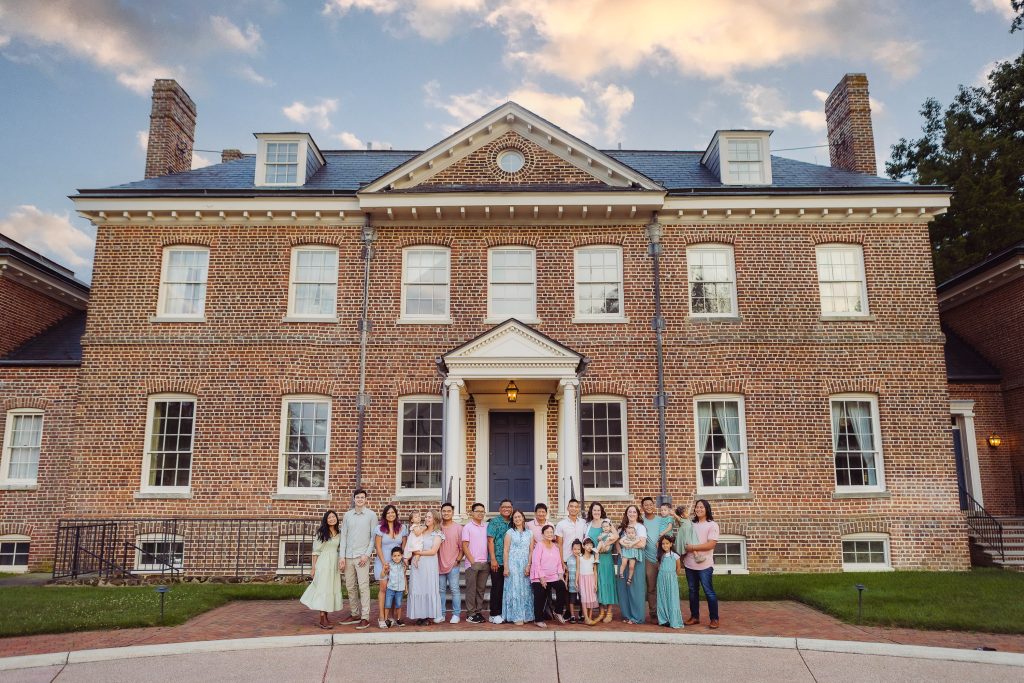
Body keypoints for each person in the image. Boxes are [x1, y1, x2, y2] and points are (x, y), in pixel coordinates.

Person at [337, 489, 375, 629]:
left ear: (366, 499)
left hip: (362, 557)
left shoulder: (371, 515)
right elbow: (344, 536)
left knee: (364, 587)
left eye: (362, 497)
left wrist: (367, 554)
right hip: (348, 556)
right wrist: (342, 556)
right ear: (354, 499)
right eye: (357, 497)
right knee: (350, 586)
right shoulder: (347, 515)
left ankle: (365, 617)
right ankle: (355, 614)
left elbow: (373, 537)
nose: (359, 499)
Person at [300, 509, 343, 629]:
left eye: (333, 517)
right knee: (323, 588)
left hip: (334, 563)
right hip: (324, 562)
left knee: (330, 588)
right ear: (326, 519)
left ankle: (326, 615)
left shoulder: (339, 533)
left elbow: (340, 548)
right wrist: (313, 568)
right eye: (329, 517)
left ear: (336, 519)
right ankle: (322, 618)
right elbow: (315, 552)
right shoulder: (321, 533)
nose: (331, 519)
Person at [683, 499, 720, 628]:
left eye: (702, 507)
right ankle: (694, 617)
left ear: (707, 509)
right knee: (693, 591)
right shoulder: (691, 524)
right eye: (697, 507)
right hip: (689, 564)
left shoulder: (712, 525)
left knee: (708, 591)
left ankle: (714, 618)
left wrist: (692, 547)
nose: (699, 509)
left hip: (705, 565)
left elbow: (711, 544)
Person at [407, 509, 445, 625]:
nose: (427, 519)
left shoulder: (438, 533)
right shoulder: (421, 531)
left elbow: (433, 551)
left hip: (429, 564)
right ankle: (420, 615)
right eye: (426, 517)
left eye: (430, 517)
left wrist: (418, 553)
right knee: (417, 588)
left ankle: (427, 615)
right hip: (417, 564)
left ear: (435, 519)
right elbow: (413, 542)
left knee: (428, 588)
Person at [555, 497, 589, 620]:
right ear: (567, 508)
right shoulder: (561, 524)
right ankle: (569, 612)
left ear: (578, 509)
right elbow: (559, 544)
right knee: (567, 587)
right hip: (566, 560)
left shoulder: (583, 523)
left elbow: (586, 540)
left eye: (576, 506)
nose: (574, 508)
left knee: (581, 586)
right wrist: (560, 562)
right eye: (571, 506)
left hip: (580, 560)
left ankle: (580, 611)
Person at [373, 505, 407, 629]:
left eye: (393, 512)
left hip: (396, 564)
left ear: (396, 514)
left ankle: (391, 616)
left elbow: (404, 546)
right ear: (384, 515)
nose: (391, 515)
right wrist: (384, 563)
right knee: (384, 589)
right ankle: (382, 617)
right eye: (388, 513)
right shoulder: (379, 529)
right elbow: (378, 547)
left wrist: (403, 561)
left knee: (395, 588)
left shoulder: (402, 528)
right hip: (383, 562)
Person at [585, 501, 617, 623]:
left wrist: (606, 544)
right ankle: (601, 610)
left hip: (606, 557)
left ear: (601, 511)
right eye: (594, 510)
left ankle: (609, 611)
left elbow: (616, 536)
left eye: (598, 510)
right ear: (591, 512)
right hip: (594, 559)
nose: (596, 512)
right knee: (598, 584)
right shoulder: (588, 525)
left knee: (607, 583)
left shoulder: (607, 522)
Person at [502, 509, 535, 625]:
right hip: (513, 563)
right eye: (515, 517)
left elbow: (531, 550)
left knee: (526, 589)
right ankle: (516, 615)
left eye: (519, 517)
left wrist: (529, 565)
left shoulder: (530, 533)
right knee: (514, 589)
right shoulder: (510, 532)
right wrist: (506, 567)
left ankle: (527, 615)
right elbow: (506, 550)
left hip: (525, 563)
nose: (517, 519)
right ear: (513, 519)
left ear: (523, 518)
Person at [530, 524, 567, 627]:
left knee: (562, 587)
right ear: (543, 534)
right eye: (547, 532)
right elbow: (536, 562)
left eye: (551, 532)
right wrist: (541, 578)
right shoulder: (539, 545)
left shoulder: (555, 547)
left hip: (553, 576)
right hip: (538, 577)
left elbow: (559, 563)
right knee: (540, 594)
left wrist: (560, 576)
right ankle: (538, 619)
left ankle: (558, 612)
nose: (550, 534)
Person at [616, 504, 648, 624]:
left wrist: (629, 545)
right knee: (623, 587)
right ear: (626, 513)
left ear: (638, 514)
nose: (632, 514)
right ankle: (627, 615)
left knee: (635, 587)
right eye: (630, 512)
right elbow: (617, 543)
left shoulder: (640, 527)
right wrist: (622, 553)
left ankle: (637, 616)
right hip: (624, 558)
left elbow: (642, 544)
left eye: (634, 512)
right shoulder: (622, 528)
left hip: (636, 559)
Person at [642, 496, 672, 620]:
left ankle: (666, 611)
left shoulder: (661, 519)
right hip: (648, 558)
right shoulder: (640, 520)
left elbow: (669, 535)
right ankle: (653, 612)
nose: (649, 506)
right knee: (651, 586)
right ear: (642, 507)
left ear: (654, 506)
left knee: (665, 585)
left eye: (651, 504)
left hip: (662, 557)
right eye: (646, 505)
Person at [462, 502, 489, 624]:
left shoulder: (487, 526)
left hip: (485, 563)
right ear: (472, 513)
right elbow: (464, 546)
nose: (480, 513)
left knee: (480, 589)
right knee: (471, 590)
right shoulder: (467, 527)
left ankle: (478, 611)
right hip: (472, 564)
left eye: (482, 511)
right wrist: (472, 560)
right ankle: (470, 614)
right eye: (477, 511)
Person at [486, 498, 513, 624]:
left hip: (510, 562)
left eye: (509, 507)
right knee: (497, 587)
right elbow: (490, 541)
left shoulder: (513, 522)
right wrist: (493, 559)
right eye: (504, 507)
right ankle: (494, 613)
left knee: (507, 588)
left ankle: (504, 612)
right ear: (499, 509)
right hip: (497, 560)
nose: (507, 509)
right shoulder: (494, 522)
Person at [437, 502, 464, 624]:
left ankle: (456, 614)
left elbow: (462, 547)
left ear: (452, 513)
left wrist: (458, 560)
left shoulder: (458, 528)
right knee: (441, 590)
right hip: (438, 564)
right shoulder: (437, 527)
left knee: (454, 589)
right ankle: (441, 614)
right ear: (441, 512)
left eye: (449, 511)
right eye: (444, 511)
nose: (446, 513)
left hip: (453, 564)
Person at [655, 535, 684, 629]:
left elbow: (678, 568)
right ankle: (663, 619)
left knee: (672, 598)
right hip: (661, 578)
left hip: (671, 578)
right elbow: (659, 566)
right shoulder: (661, 555)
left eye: (667, 543)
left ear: (671, 544)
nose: (665, 545)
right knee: (662, 598)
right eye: (663, 544)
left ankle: (674, 619)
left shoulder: (675, 555)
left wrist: (673, 576)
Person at [383, 546, 407, 628]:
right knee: (388, 604)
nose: (396, 557)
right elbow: (383, 575)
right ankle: (386, 619)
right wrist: (385, 570)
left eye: (398, 555)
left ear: (402, 555)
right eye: (394, 556)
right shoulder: (389, 565)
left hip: (400, 589)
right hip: (391, 588)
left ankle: (399, 619)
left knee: (399, 605)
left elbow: (404, 577)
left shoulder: (403, 565)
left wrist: (406, 588)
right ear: (391, 556)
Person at [577, 537, 599, 625]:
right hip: (582, 579)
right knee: (584, 598)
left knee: (591, 598)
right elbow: (578, 569)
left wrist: (596, 584)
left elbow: (595, 571)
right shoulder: (580, 557)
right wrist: (576, 581)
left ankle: (590, 617)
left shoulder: (594, 557)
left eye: (591, 545)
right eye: (587, 545)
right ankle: (586, 618)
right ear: (583, 546)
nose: (589, 547)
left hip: (591, 579)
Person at [565, 539, 582, 623]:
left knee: (582, 599)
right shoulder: (569, 559)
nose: (577, 551)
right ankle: (572, 615)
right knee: (572, 600)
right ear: (572, 549)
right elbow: (567, 572)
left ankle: (581, 614)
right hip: (571, 582)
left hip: (581, 582)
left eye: (578, 549)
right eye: (575, 549)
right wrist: (566, 581)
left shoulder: (582, 558)